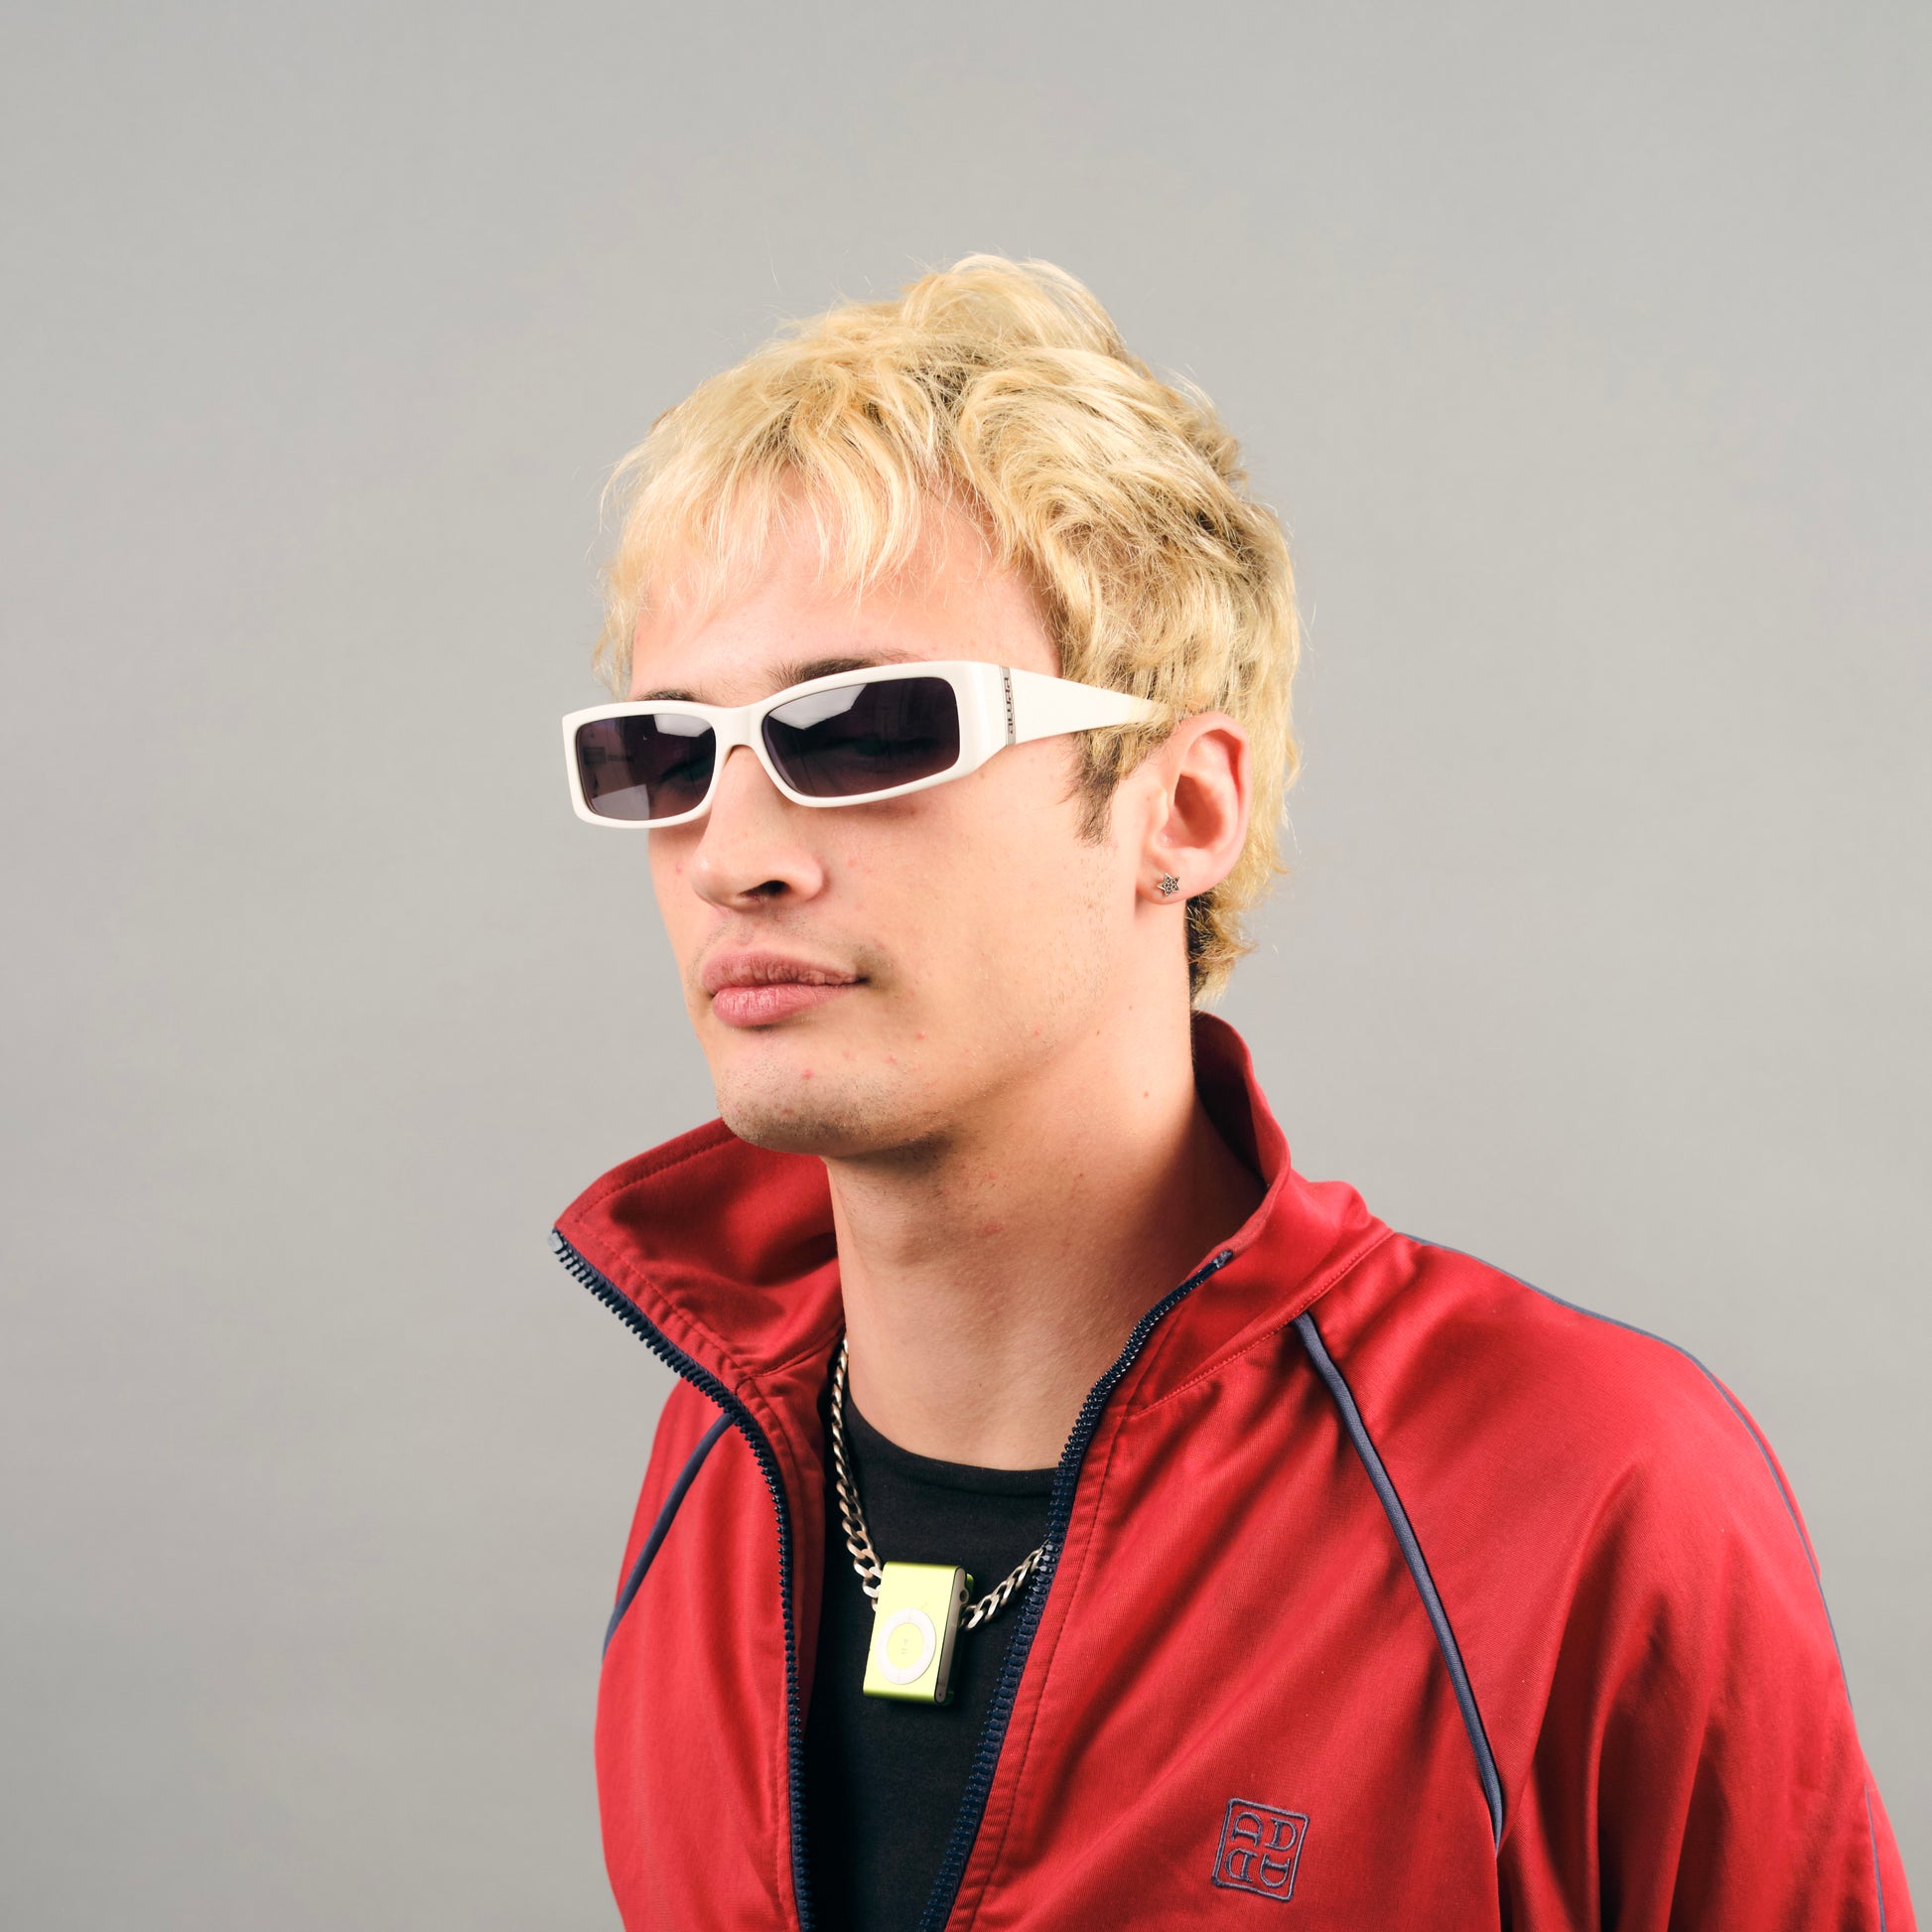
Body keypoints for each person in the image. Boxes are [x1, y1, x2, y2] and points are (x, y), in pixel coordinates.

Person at [550, 256, 1912, 1930]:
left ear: (1183, 808)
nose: (732, 856)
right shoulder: (721, 1460)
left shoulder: (1582, 1487)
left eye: (866, 730)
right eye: (666, 753)